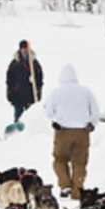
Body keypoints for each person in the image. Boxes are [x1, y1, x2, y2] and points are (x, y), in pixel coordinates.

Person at [42, 63, 100, 198]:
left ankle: (65, 185)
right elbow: (96, 111)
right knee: (79, 161)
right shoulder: (86, 91)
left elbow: (49, 112)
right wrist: (92, 123)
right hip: (82, 131)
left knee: (60, 159)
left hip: (63, 130)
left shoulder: (57, 91)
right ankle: (78, 189)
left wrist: (56, 118)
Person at [5, 39, 43, 126]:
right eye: (23, 49)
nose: (25, 51)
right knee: (18, 119)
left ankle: (29, 137)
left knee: (30, 121)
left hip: (31, 97)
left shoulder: (35, 64)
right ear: (20, 50)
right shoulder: (14, 64)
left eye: (26, 48)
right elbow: (9, 80)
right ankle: (17, 136)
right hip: (18, 97)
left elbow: (40, 80)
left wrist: (38, 92)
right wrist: (10, 93)